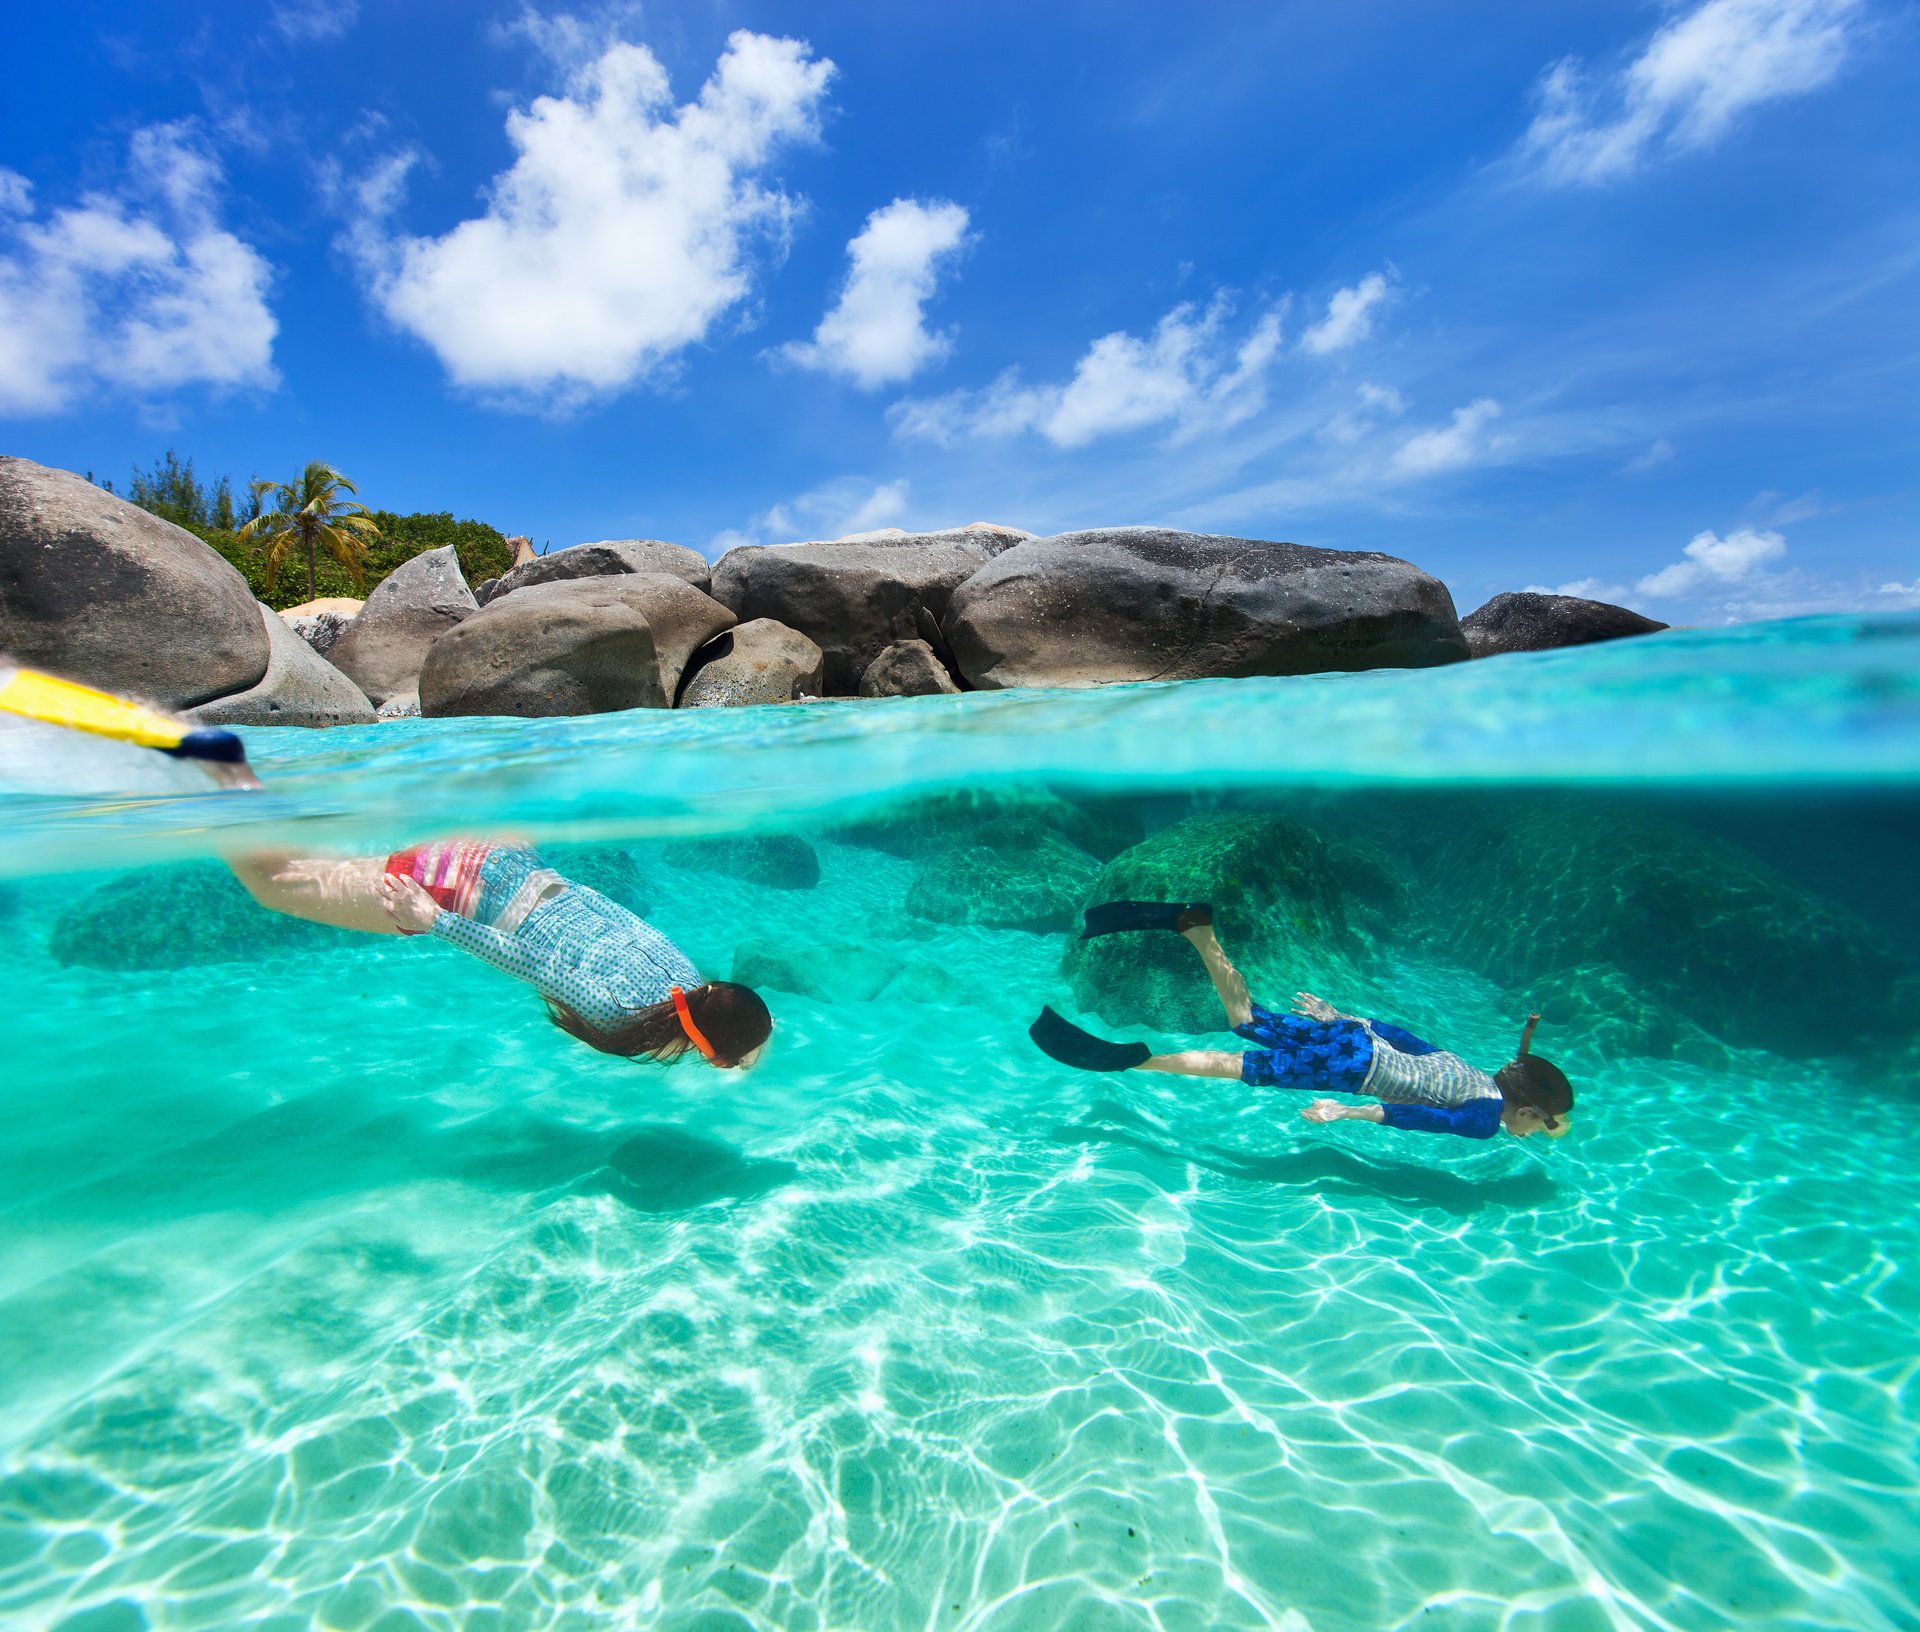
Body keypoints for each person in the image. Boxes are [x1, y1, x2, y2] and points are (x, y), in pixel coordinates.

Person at [1029, 902, 1572, 1140]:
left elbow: (1409, 1040)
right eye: (1539, 1124)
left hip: (1354, 1038)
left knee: (1245, 1020)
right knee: (1243, 1067)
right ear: (1524, 1108)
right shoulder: (1482, 1120)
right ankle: (1137, 1061)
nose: (1530, 1132)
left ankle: (1195, 926)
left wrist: (1343, 1016)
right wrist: (1345, 1112)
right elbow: (1413, 1118)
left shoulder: (1471, 1070)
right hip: (1354, 1068)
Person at [229, 838, 771, 1069]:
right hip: (453, 888)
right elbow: (530, 962)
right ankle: (202, 788)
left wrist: (732, 1045)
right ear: (709, 1053)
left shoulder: (684, 976)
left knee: (320, 861)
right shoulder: (620, 1015)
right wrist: (433, 919)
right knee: (274, 882)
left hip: (509, 859)